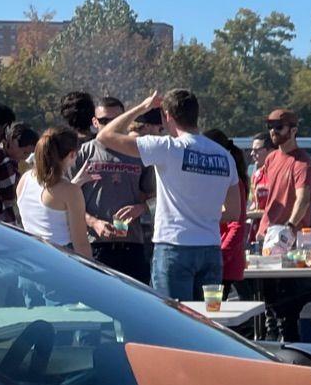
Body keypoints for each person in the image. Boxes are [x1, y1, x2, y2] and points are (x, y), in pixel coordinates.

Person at [96, 87, 245, 302]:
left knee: (174, 324)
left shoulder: (167, 147)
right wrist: (203, 214)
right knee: (206, 325)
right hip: (211, 249)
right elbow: (233, 212)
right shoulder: (224, 156)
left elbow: (105, 136)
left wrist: (143, 106)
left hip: (175, 247)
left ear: (168, 117)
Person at [72, 94, 152, 283]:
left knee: (136, 305)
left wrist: (141, 208)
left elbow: (156, 196)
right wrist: (94, 223)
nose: (110, 125)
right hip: (95, 244)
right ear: (94, 122)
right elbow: (67, 200)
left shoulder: (140, 152)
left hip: (133, 243)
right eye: (104, 120)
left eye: (116, 120)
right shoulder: (84, 152)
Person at [17, 128, 93, 259]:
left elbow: (50, 204)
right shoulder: (70, 192)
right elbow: (81, 244)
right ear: (72, 154)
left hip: (30, 259)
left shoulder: (25, 179)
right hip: (60, 263)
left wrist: (75, 182)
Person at [251, 109, 311, 234]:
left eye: (279, 127)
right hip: (266, 233)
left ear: (294, 130)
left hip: (288, 238)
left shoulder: (302, 163)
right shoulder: (271, 158)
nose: (273, 131)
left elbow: (303, 200)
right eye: (270, 126)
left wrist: (289, 227)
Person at [208, 129, 251, 290]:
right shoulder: (224, 179)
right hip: (220, 259)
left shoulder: (233, 182)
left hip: (225, 262)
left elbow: (237, 224)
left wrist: (222, 256)